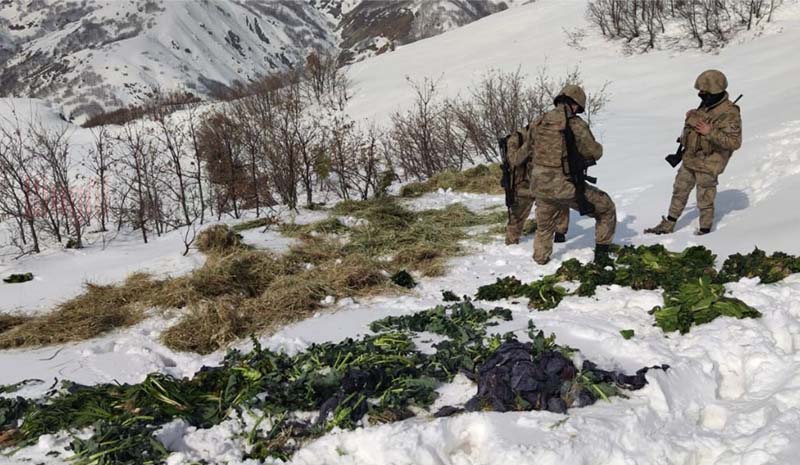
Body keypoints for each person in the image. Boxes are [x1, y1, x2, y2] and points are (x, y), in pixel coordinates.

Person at [645, 69, 742, 235]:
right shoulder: (707, 105)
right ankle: (668, 224)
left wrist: (709, 131)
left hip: (709, 162)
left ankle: (705, 230)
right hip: (690, 158)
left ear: (714, 91)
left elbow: (734, 142)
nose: (700, 95)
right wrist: (693, 116)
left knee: (704, 197)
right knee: (679, 190)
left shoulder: (729, 112)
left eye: (704, 92)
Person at [530, 84, 617, 265]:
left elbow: (529, 149)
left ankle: (540, 259)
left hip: (539, 185)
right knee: (606, 208)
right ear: (575, 104)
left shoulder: (540, 121)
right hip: (564, 186)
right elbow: (594, 152)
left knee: (544, 226)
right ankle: (601, 256)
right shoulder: (575, 124)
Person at [503, 127, 569, 245]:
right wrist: (530, 145)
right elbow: (514, 160)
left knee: (560, 202)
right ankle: (512, 243)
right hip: (523, 183)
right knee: (517, 215)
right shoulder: (517, 138)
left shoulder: (552, 135)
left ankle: (560, 232)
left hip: (546, 180)